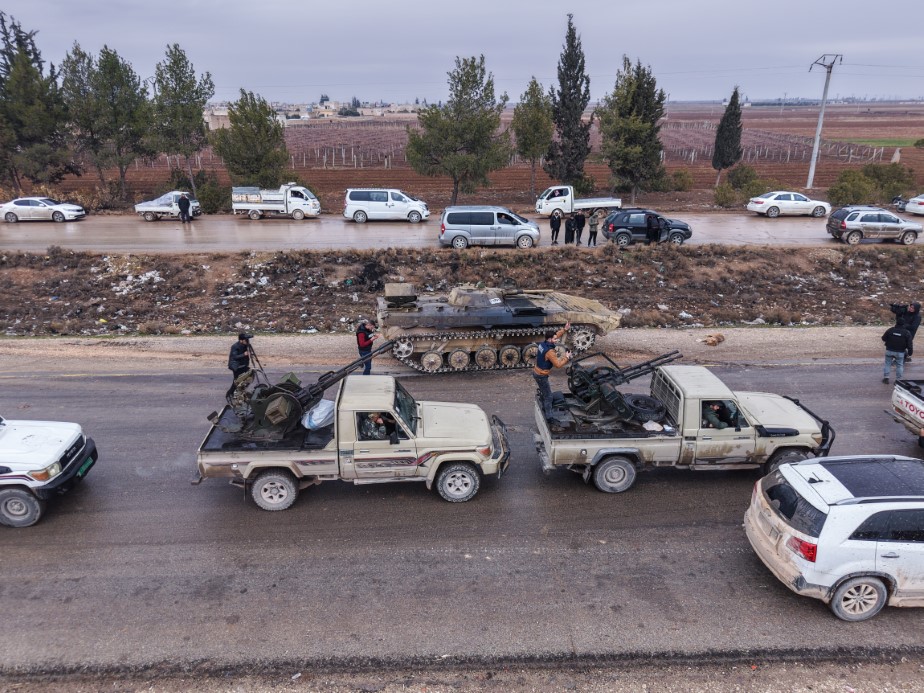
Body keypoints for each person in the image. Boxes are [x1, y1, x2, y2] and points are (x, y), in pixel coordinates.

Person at [533, 323, 572, 423]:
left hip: (536, 372)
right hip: (541, 375)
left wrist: (564, 329)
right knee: (549, 397)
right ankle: (549, 417)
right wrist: (566, 357)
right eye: (555, 339)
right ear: (550, 339)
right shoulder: (550, 352)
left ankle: (545, 402)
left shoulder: (543, 344)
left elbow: (556, 335)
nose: (557, 340)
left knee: (546, 393)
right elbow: (558, 365)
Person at [226, 333, 252, 398]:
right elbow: (234, 356)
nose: (247, 341)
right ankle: (230, 393)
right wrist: (244, 354)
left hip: (242, 365)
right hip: (236, 366)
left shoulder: (245, 345)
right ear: (241, 340)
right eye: (246, 340)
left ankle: (239, 391)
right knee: (237, 380)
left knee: (249, 373)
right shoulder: (235, 346)